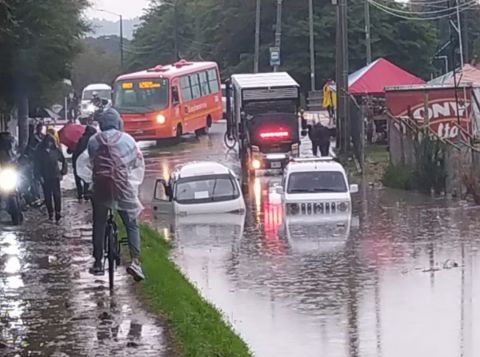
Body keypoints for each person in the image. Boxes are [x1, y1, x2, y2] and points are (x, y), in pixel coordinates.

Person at [87, 108, 145, 280]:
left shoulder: (93, 140)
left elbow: (90, 163)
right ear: (119, 123)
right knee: (131, 223)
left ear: (102, 124)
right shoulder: (128, 140)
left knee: (99, 222)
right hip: (123, 188)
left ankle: (98, 262)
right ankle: (135, 261)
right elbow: (138, 163)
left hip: (101, 189)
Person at [34, 134, 67, 222]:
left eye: (51, 142)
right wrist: (39, 176)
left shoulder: (56, 150)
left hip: (55, 175)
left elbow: (63, 160)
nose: (50, 144)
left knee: (57, 195)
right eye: (48, 142)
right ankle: (50, 213)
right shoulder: (40, 152)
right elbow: (36, 165)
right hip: (45, 176)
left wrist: (62, 172)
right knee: (47, 196)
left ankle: (58, 212)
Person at [72, 125, 97, 199]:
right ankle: (86, 193)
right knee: (87, 177)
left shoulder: (80, 139)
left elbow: (75, 150)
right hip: (87, 161)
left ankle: (80, 194)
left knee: (77, 178)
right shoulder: (92, 140)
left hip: (77, 160)